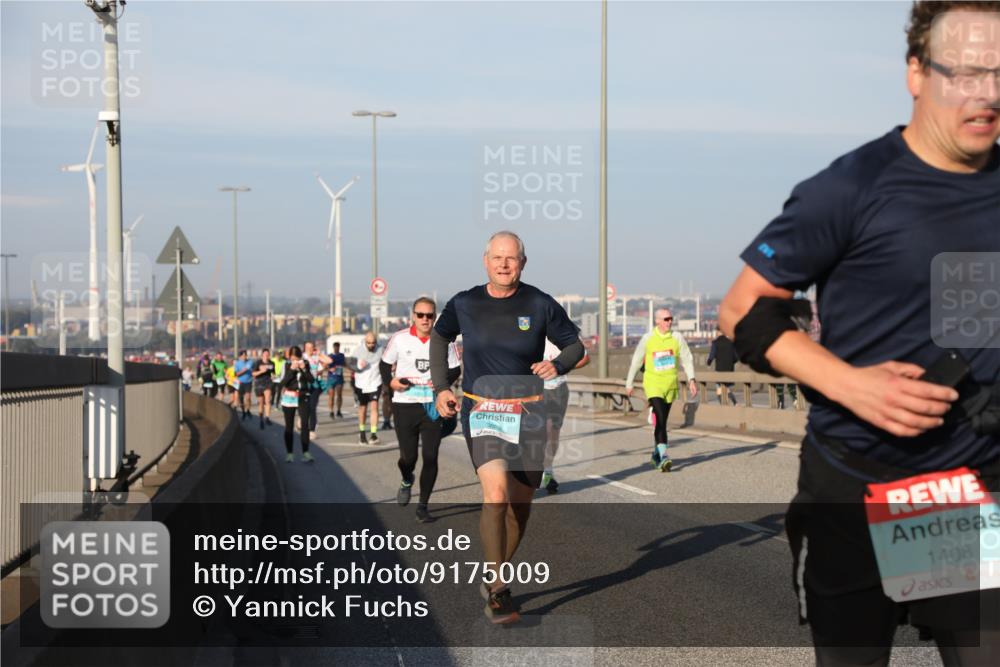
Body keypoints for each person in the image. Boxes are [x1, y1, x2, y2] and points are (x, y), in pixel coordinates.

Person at [719, 4, 999, 664]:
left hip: (962, 491)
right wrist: (853, 385)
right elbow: (742, 312)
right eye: (964, 72)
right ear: (915, 72)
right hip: (855, 485)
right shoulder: (849, 187)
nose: (987, 93)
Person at [431, 231, 584, 624]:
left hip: (529, 413)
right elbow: (439, 336)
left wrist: (559, 364)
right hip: (482, 409)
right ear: (486, 260)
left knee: (520, 509)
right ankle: (499, 589)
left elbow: (575, 345)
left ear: (523, 262)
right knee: (495, 494)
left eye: (511, 258)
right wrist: (440, 388)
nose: (503, 264)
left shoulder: (539, 303)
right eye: (497, 257)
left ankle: (492, 569)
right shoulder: (465, 303)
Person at [380, 298, 462, 523]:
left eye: (430, 315)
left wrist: (439, 385)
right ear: (413, 316)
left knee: (430, 456)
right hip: (405, 403)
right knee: (408, 457)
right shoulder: (399, 338)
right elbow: (384, 365)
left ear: (434, 317)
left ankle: (423, 506)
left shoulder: (444, 340)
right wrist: (391, 382)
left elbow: (455, 369)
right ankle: (407, 479)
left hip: (432, 404)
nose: (425, 319)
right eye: (421, 315)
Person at [624, 308, 698, 472]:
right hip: (653, 383)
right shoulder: (648, 338)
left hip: (670, 385)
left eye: (671, 319)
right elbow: (636, 361)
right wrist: (629, 383)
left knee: (662, 421)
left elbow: (687, 358)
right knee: (662, 420)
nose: (669, 322)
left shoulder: (677, 338)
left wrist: (691, 379)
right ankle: (664, 456)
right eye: (666, 319)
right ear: (657, 321)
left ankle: (656, 455)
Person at [539, 336, 589, 494]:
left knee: (553, 433)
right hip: (536, 390)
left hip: (559, 389)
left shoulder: (564, 335)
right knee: (539, 431)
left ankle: (548, 471)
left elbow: (585, 358)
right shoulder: (531, 331)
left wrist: (562, 366)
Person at [278, 345, 315, 464]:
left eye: (297, 359)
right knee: (289, 427)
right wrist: (292, 370)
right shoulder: (286, 365)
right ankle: (289, 453)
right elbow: (282, 383)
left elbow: (311, 380)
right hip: (289, 397)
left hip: (303, 396)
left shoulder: (306, 364)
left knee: (305, 424)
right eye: (292, 359)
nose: (295, 361)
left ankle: (306, 452)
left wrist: (304, 369)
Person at [352, 332, 384, 443]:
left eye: (373, 343)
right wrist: (358, 366)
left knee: (374, 406)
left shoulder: (381, 350)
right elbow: (351, 366)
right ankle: (362, 433)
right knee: (363, 408)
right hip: (361, 383)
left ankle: (373, 434)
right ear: (365, 342)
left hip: (375, 382)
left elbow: (386, 363)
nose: (371, 345)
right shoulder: (358, 351)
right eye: (369, 343)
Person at [303, 341, 332, 440]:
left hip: (314, 385)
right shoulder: (302, 357)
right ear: (305, 348)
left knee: (312, 407)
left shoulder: (316, 357)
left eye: (312, 347)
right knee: (304, 408)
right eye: (308, 347)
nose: (310, 349)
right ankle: (302, 421)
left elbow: (329, 361)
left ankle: (312, 430)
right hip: (303, 385)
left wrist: (319, 354)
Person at [707, 329, 739, 406]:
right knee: (726, 388)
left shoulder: (715, 343)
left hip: (720, 370)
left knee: (719, 388)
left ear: (718, 332)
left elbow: (712, 355)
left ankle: (723, 405)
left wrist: (708, 362)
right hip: (729, 370)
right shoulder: (731, 343)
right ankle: (735, 402)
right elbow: (736, 357)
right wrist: (731, 362)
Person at [252, 347, 275, 430]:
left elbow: (273, 373)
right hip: (259, 384)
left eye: (268, 355)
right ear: (262, 355)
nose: (266, 356)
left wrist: (273, 376)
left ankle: (267, 418)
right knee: (261, 403)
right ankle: (261, 418)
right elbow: (253, 374)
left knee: (268, 400)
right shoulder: (257, 363)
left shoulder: (272, 363)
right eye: (265, 355)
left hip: (268, 383)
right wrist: (261, 371)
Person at [234, 349, 254, 420]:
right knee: (240, 399)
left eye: (245, 355)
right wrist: (245, 370)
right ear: (240, 356)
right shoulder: (237, 364)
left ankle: (248, 410)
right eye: (243, 355)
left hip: (248, 382)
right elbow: (236, 374)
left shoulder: (250, 361)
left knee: (248, 398)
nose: (245, 357)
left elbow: (251, 368)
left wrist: (243, 371)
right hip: (240, 382)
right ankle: (243, 412)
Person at [327, 342, 346, 418]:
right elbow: (326, 365)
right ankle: (331, 411)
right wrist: (330, 368)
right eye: (335, 347)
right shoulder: (330, 356)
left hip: (339, 377)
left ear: (339, 347)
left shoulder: (341, 356)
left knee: (339, 394)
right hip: (331, 377)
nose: (336, 349)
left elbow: (345, 364)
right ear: (333, 347)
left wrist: (352, 369)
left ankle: (338, 410)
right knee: (331, 395)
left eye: (337, 347)